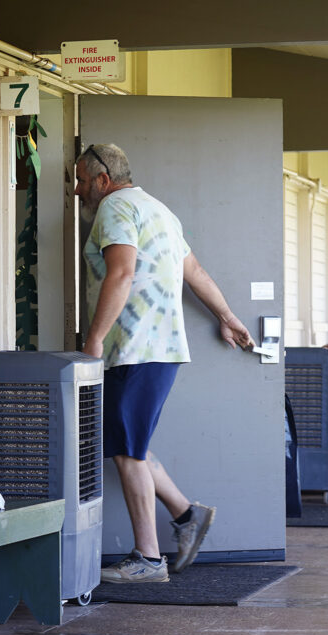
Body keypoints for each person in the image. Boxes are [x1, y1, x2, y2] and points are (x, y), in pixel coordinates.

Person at [76, 144, 255, 584]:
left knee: (127, 452)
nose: (77, 190)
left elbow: (121, 273)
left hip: (134, 347)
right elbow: (194, 271)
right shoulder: (158, 210)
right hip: (158, 347)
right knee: (126, 443)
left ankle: (149, 560)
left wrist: (94, 339)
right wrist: (226, 316)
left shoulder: (115, 207)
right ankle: (187, 514)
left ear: (102, 179)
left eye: (81, 180)